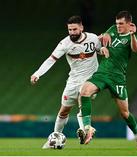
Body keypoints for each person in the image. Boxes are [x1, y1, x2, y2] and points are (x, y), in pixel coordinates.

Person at [30, 15, 109, 148]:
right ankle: (55, 137)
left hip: (91, 79)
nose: (72, 32)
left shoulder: (93, 38)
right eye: (70, 30)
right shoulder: (65, 43)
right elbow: (51, 59)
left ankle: (86, 131)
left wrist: (102, 49)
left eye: (74, 29)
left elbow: (100, 50)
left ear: (81, 28)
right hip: (73, 80)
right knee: (64, 111)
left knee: (82, 99)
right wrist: (37, 73)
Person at [78, 11, 137, 150]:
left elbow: (136, 49)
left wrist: (133, 35)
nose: (118, 26)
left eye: (121, 24)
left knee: (125, 113)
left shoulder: (133, 37)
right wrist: (102, 44)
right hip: (102, 73)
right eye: (117, 23)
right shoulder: (113, 29)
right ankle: (87, 128)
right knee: (84, 91)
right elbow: (102, 38)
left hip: (117, 78)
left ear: (129, 24)